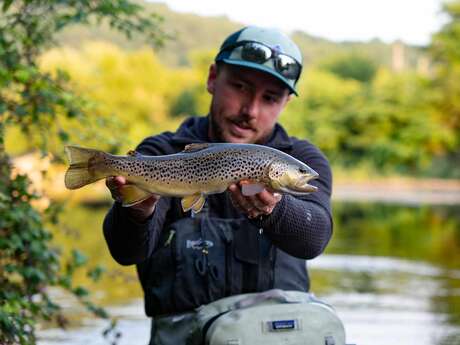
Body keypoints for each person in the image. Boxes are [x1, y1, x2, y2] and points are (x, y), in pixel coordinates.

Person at [103, 26, 333, 344]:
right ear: (213, 78)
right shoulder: (163, 153)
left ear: (285, 104)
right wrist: (136, 211)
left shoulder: (302, 158)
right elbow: (125, 251)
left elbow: (314, 237)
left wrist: (275, 209)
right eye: (240, 87)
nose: (250, 110)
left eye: (270, 98)